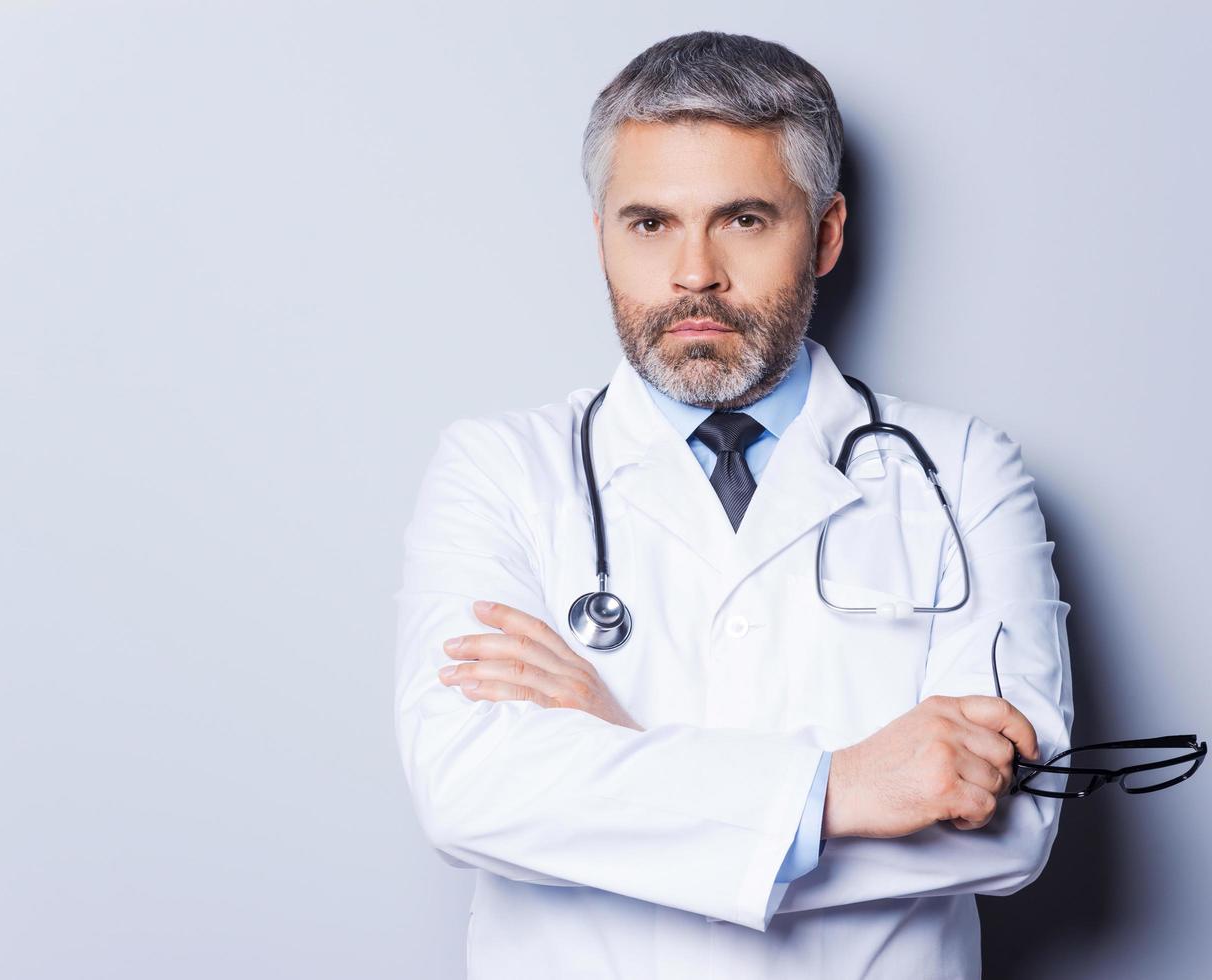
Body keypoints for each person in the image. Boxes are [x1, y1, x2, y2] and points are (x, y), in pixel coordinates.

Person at [393, 30, 1074, 979]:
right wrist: (841, 787)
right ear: (599, 235)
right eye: (649, 223)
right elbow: (471, 792)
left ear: (826, 233)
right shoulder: (500, 470)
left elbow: (1010, 827)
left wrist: (617, 755)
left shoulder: (962, 471)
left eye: (744, 219)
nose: (693, 274)